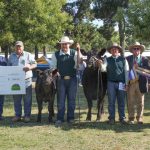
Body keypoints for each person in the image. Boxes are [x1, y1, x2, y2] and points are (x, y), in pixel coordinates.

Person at [51, 36, 82, 126]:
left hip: (72, 79)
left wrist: (79, 50)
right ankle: (60, 118)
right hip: (61, 80)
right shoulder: (55, 54)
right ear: (60, 45)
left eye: (66, 44)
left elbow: (79, 63)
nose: (64, 45)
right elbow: (53, 67)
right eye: (63, 44)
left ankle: (71, 118)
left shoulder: (74, 52)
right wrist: (56, 73)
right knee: (60, 100)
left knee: (71, 100)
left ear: (69, 44)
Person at [8, 41, 37, 122]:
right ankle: (18, 115)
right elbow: (8, 67)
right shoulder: (11, 56)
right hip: (15, 81)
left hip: (26, 80)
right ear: (15, 47)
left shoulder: (28, 55)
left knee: (27, 99)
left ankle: (27, 116)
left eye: (20, 46)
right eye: (17, 46)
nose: (18, 48)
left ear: (23, 47)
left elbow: (35, 64)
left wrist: (29, 67)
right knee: (16, 99)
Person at [100, 43, 129, 124]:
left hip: (121, 83)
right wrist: (100, 64)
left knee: (121, 102)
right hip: (111, 83)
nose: (114, 50)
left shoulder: (123, 59)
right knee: (111, 102)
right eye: (112, 49)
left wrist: (126, 84)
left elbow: (126, 73)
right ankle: (111, 118)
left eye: (116, 49)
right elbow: (103, 69)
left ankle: (122, 118)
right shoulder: (107, 59)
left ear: (118, 50)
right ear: (110, 51)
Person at [126, 42, 149, 124]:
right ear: (132, 50)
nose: (136, 50)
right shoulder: (127, 59)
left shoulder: (145, 59)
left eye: (137, 48)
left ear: (140, 50)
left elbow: (148, 71)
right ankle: (131, 118)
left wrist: (139, 68)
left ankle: (139, 118)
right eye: (134, 48)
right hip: (131, 83)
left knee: (141, 102)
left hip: (141, 83)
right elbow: (125, 71)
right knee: (130, 101)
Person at [0, 56, 7, 121]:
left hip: (1, 83)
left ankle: (0, 115)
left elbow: (7, 70)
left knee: (1, 99)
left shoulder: (3, 59)